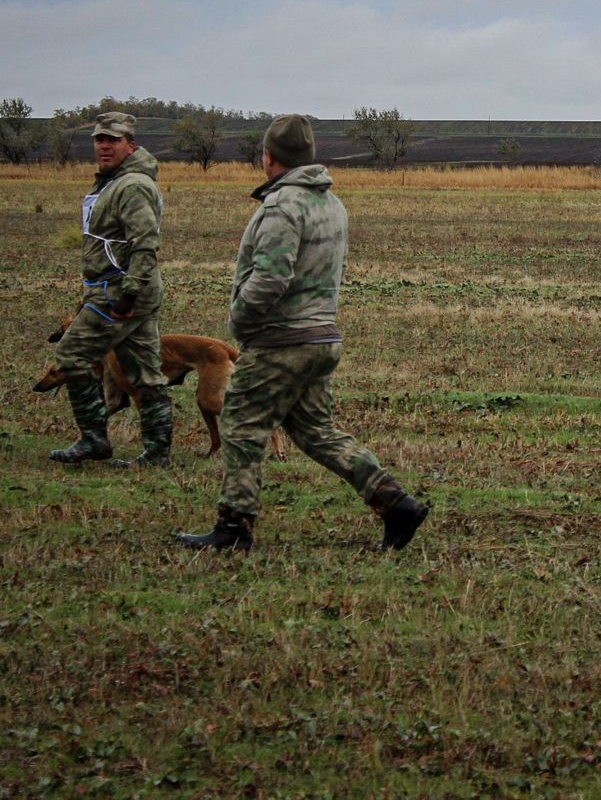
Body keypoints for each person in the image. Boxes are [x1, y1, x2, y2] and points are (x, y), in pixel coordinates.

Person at [178, 115, 428, 552]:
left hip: (282, 340)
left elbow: (271, 279)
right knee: (315, 430)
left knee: (239, 423)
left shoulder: (282, 207)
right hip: (321, 337)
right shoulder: (332, 204)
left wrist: (239, 320)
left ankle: (234, 526)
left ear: (269, 157)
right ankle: (395, 503)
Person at [47, 112, 172, 467]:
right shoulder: (113, 182)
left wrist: (127, 295)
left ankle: (94, 440)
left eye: (113, 140)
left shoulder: (131, 186)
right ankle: (158, 453)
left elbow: (145, 244)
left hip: (119, 293)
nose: (104, 146)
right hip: (128, 289)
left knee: (71, 356)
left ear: (130, 145)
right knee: (147, 373)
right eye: (99, 140)